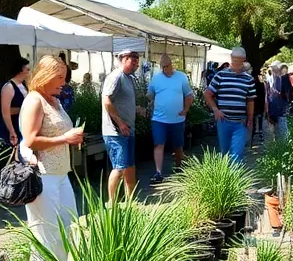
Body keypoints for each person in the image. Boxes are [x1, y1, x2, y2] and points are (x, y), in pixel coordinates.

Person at [19, 56, 86, 260]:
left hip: (61, 173)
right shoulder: (34, 100)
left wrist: (72, 136)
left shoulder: (54, 101)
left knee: (68, 227)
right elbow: (30, 140)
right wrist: (65, 138)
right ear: (46, 76)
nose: (63, 83)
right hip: (43, 174)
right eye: (59, 77)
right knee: (46, 232)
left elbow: (57, 131)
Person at [101, 48, 143, 199]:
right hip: (115, 131)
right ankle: (112, 206)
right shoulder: (116, 76)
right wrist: (120, 123)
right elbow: (106, 100)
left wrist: (137, 109)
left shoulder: (129, 78)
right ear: (124, 60)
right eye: (133, 61)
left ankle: (131, 201)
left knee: (130, 166)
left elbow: (123, 101)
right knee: (119, 167)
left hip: (128, 129)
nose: (136, 64)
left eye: (137, 61)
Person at [147, 54, 194, 183]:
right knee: (158, 144)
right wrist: (150, 100)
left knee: (178, 146)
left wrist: (186, 109)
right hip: (159, 119)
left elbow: (189, 94)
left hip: (177, 119)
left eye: (166, 66)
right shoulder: (156, 78)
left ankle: (179, 167)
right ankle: (158, 172)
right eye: (162, 67)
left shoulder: (181, 77)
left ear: (171, 64)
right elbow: (150, 94)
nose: (164, 69)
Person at [204, 48, 256, 162]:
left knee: (237, 155)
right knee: (225, 153)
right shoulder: (220, 75)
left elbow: (250, 101)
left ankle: (236, 178)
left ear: (243, 60)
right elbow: (208, 94)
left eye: (239, 61)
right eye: (234, 60)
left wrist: (250, 119)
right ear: (231, 59)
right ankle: (227, 178)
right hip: (223, 121)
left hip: (240, 123)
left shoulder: (249, 79)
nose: (236, 63)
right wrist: (215, 110)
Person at [0, 58, 30, 148]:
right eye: (27, 69)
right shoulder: (9, 87)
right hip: (12, 126)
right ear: (21, 70)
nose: (28, 71)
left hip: (22, 125)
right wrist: (11, 131)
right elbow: (6, 111)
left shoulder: (24, 86)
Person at [266, 62, 293, 142]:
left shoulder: (283, 78)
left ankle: (283, 143)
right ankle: (279, 142)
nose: (273, 71)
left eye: (274, 69)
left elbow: (286, 93)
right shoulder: (272, 79)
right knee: (277, 126)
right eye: (272, 69)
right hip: (274, 106)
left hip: (281, 107)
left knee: (282, 125)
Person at [252, 65, 266, 142]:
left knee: (254, 118)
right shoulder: (261, 84)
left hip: (254, 103)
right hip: (259, 103)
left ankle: (254, 132)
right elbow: (263, 95)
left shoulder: (252, 83)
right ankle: (259, 131)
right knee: (259, 118)